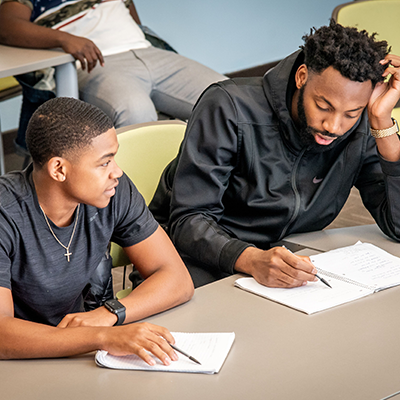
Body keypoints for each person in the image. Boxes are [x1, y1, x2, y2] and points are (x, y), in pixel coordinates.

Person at [149, 21, 400, 288]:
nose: (334, 126)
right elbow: (188, 221)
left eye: (351, 113)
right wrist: (252, 259)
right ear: (302, 76)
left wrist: (381, 124)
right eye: (323, 106)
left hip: (283, 268)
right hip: (193, 264)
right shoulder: (229, 107)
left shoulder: (361, 126)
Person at [0, 97, 194, 363]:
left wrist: (107, 314)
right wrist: (103, 336)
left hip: (78, 353)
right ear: (59, 169)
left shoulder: (113, 191)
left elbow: (177, 280)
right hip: (19, 362)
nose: (117, 172)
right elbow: (2, 336)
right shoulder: (5, 214)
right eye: (104, 163)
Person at [0, 0, 226, 150]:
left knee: (230, 97)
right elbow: (6, 27)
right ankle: (142, 209)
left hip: (148, 51)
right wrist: (64, 39)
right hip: (96, 63)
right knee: (136, 112)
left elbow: (132, 17)